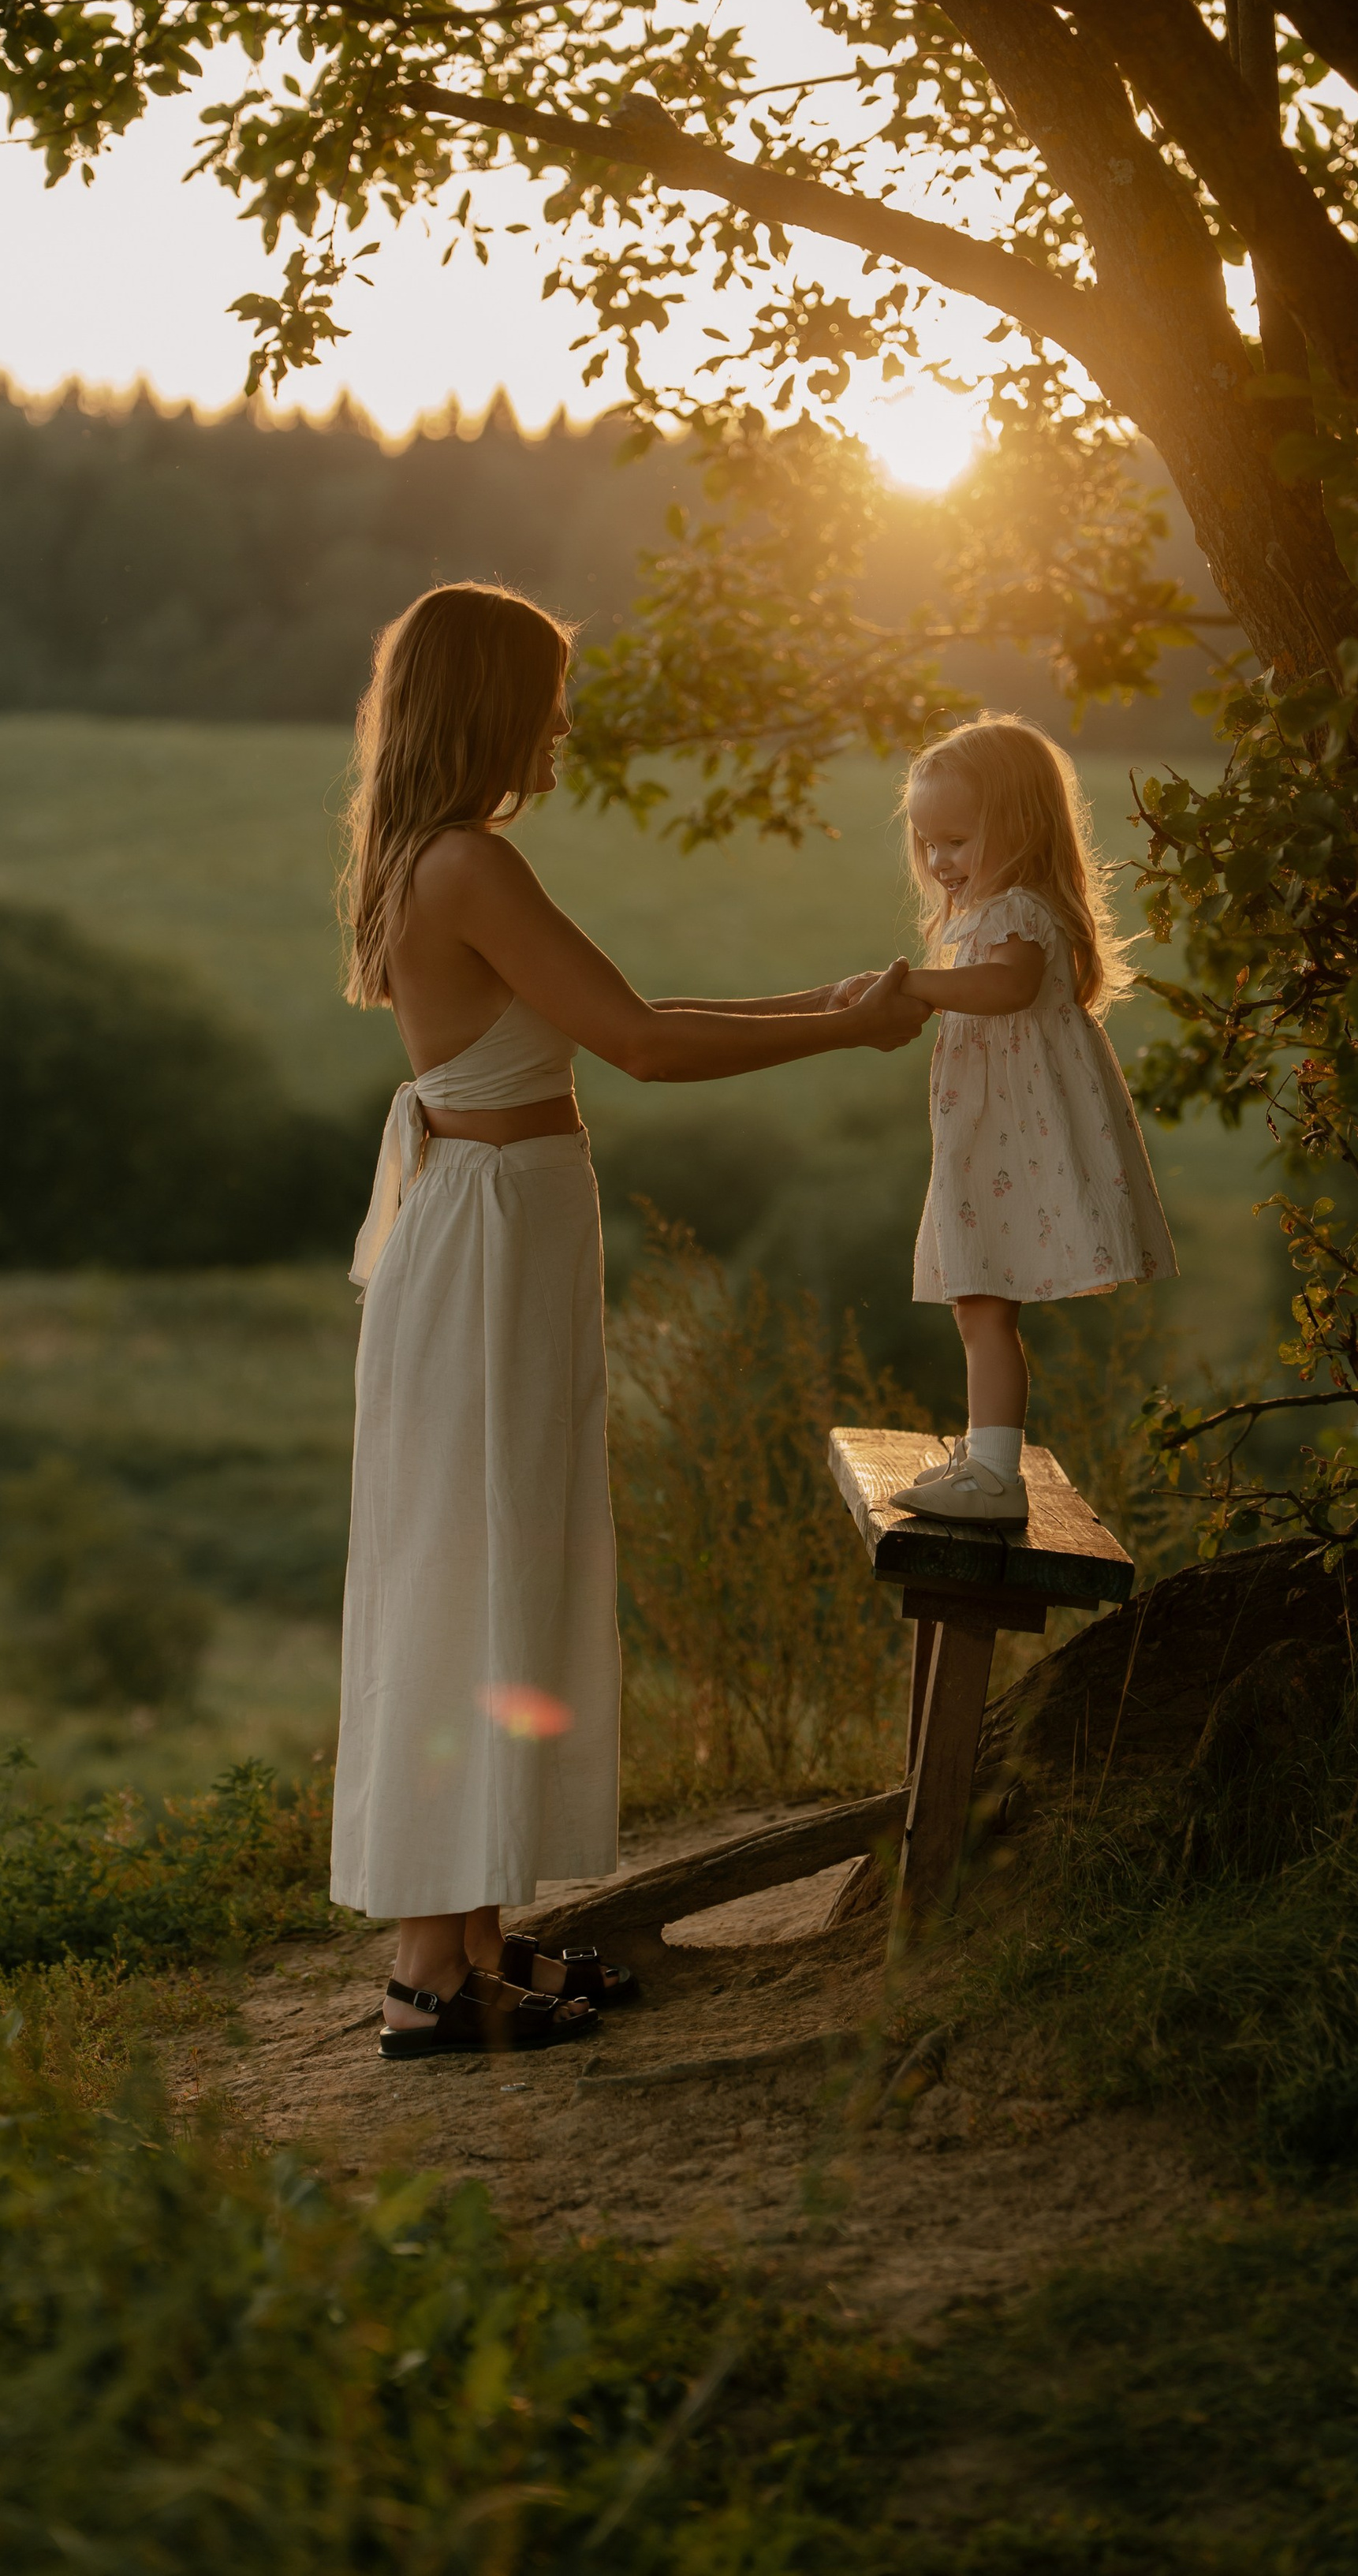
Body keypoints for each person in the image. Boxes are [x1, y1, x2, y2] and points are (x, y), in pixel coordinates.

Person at [331, 581, 928, 2059]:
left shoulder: (438, 856)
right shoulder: (467, 865)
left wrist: (829, 998)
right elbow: (646, 1048)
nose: (560, 720)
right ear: (491, 702)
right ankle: (429, 1975)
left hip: (499, 1239)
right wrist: (845, 1028)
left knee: (498, 1559)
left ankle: (473, 1947)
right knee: (477, 1566)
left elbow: (627, 1012)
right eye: (545, 693)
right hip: (484, 1251)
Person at [841, 714, 1176, 1528]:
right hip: (995, 1132)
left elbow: (1008, 989)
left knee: (983, 1295)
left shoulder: (1015, 912)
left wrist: (917, 986)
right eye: (927, 844)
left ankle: (993, 1473)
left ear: (1019, 827)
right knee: (977, 1297)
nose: (938, 861)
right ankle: (985, 1453)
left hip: (1011, 1135)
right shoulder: (995, 911)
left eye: (956, 840)